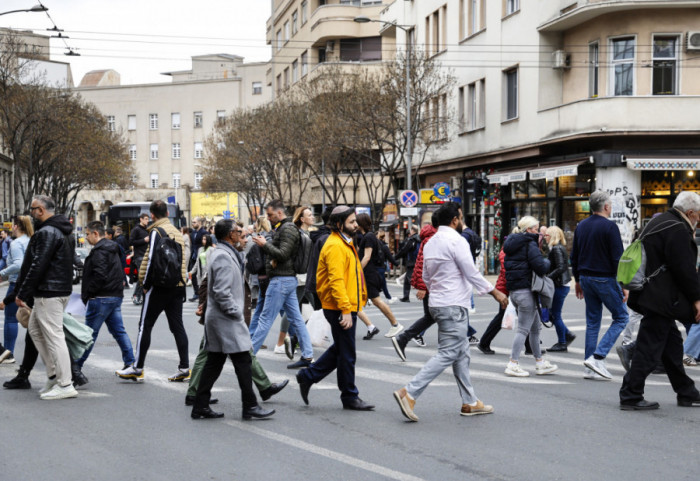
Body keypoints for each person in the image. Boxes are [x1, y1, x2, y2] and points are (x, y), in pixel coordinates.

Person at [393, 203, 507, 421]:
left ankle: (470, 401)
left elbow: (426, 276)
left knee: (461, 352)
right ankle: (409, 392)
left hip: (437, 302)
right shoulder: (457, 240)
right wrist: (496, 293)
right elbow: (471, 272)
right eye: (461, 217)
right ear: (455, 220)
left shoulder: (430, 242)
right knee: (448, 352)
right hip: (453, 304)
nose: (462, 221)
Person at [186, 228, 288, 408]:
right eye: (242, 237)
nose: (246, 240)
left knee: (222, 357)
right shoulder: (223, 255)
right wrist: (232, 311)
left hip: (223, 316)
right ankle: (251, 401)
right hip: (223, 317)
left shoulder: (231, 254)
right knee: (232, 356)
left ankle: (199, 399)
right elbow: (212, 285)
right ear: (230, 236)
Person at [620, 192, 700, 410]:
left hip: (651, 295)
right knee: (648, 348)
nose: (698, 220)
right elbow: (684, 269)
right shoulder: (677, 229)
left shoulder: (660, 222)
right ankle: (630, 394)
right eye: (698, 215)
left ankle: (686, 391)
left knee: (672, 347)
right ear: (690, 212)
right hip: (661, 299)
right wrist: (697, 298)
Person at [295, 206, 374, 410]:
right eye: (351, 222)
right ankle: (349, 396)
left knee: (341, 349)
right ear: (339, 224)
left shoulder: (344, 242)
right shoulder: (335, 246)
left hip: (344, 305)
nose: (356, 225)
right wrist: (346, 309)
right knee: (347, 354)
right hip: (339, 307)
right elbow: (336, 280)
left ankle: (307, 376)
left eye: (355, 221)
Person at [116, 200, 189, 382]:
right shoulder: (176, 232)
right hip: (177, 286)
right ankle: (184, 367)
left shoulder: (157, 231)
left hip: (159, 286)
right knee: (177, 327)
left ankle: (138, 367)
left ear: (153, 215)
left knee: (145, 326)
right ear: (167, 213)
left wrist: (145, 285)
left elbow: (151, 261)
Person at [15, 195, 77, 400]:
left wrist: (23, 292)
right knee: (35, 329)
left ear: (40, 210)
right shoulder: (62, 230)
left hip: (49, 292)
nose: (31, 213)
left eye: (32, 209)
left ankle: (65, 383)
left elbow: (37, 264)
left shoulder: (47, 232)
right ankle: (53, 375)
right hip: (56, 289)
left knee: (53, 335)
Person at [570, 190, 629, 380]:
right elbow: (617, 258)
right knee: (621, 317)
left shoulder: (581, 226)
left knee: (593, 322)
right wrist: (624, 284)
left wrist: (578, 279)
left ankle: (589, 365)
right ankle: (598, 357)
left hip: (586, 278)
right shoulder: (610, 227)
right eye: (610, 204)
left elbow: (575, 256)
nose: (611, 207)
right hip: (605, 278)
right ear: (605, 206)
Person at [250, 200, 314, 369]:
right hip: (286, 280)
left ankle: (248, 358)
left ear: (279, 213)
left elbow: (283, 254)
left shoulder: (287, 229)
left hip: (281, 280)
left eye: (270, 215)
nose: (268, 218)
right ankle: (307, 356)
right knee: (296, 319)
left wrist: (265, 244)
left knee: (265, 319)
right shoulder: (285, 228)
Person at [73, 221, 135, 385]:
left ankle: (76, 368)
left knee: (88, 335)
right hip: (114, 296)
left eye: (87, 234)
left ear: (95, 233)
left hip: (101, 297)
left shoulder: (99, 251)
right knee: (119, 331)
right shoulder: (112, 248)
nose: (86, 237)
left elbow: (100, 275)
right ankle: (131, 363)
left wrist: (88, 293)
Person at [502, 216, 558, 377]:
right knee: (523, 330)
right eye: (536, 229)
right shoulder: (529, 243)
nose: (538, 232)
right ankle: (513, 363)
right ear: (528, 230)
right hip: (526, 290)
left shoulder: (511, 243)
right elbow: (540, 267)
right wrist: (548, 262)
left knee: (535, 328)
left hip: (515, 291)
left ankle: (540, 363)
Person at [391, 216, 439, 361]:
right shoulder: (432, 239)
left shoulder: (430, 237)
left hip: (431, 284)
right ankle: (403, 338)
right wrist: (423, 286)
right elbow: (424, 263)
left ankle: (404, 339)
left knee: (432, 316)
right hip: (430, 284)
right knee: (435, 316)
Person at [355, 213, 403, 339]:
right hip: (369, 273)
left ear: (361, 223)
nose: (354, 224)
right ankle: (372, 327)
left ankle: (395, 324)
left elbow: (367, 256)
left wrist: (356, 270)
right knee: (361, 301)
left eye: (356, 221)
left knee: (376, 300)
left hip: (370, 274)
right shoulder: (367, 236)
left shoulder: (369, 237)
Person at [274, 206, 314, 356]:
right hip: (301, 278)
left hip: (305, 277)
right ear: (302, 219)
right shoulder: (299, 234)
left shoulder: (306, 234)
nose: (312, 217)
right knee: (293, 309)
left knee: (315, 308)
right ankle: (281, 342)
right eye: (309, 215)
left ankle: (298, 337)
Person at [0, 216, 33, 364]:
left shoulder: (16, 243)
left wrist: (2, 273)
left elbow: (19, 264)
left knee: (11, 319)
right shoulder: (31, 240)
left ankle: (8, 352)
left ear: (15, 227)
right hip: (31, 283)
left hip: (17, 283)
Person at [545, 225, 576, 352]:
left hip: (560, 285)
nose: (545, 237)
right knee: (552, 313)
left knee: (555, 314)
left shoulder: (556, 248)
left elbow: (561, 267)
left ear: (552, 236)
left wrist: (548, 277)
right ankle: (567, 334)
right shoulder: (555, 247)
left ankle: (562, 342)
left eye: (547, 235)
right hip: (560, 284)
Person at [395, 225, 420, 303]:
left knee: (408, 279)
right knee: (414, 278)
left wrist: (395, 258)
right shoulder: (420, 239)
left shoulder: (412, 239)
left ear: (412, 230)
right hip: (419, 261)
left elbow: (404, 250)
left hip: (412, 261)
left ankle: (406, 297)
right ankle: (406, 296)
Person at [129, 213, 150, 305]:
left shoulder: (147, 229)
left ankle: (142, 295)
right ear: (141, 219)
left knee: (145, 277)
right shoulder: (136, 229)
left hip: (147, 256)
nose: (147, 221)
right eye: (145, 219)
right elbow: (131, 242)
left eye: (148, 219)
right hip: (139, 256)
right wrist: (143, 240)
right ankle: (136, 295)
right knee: (142, 277)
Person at [189, 217, 207, 302]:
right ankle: (196, 293)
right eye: (192, 222)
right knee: (192, 275)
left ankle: (201, 293)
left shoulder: (204, 232)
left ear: (199, 223)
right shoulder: (192, 233)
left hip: (201, 255)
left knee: (201, 275)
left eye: (194, 222)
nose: (193, 224)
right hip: (193, 256)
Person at [376, 231, 397, 303]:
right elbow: (390, 257)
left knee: (378, 283)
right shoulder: (384, 247)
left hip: (375, 266)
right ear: (384, 237)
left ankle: (387, 297)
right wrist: (396, 264)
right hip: (381, 266)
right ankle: (389, 298)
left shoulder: (376, 245)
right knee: (382, 283)